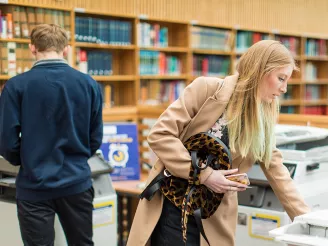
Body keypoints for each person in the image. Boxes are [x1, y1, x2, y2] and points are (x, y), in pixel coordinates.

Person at [127, 40, 310, 246]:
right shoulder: (205, 89)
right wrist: (205, 175)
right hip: (175, 206)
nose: (284, 88)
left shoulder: (263, 117)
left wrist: (309, 222)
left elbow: (277, 171)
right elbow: (160, 134)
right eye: (281, 78)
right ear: (260, 70)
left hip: (215, 214)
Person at [0, 24, 103, 246]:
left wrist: (25, 160)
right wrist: (77, 157)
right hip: (77, 183)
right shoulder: (89, 84)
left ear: (32, 48)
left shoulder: (15, 86)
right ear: (65, 49)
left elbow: (6, 141)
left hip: (33, 186)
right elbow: (95, 137)